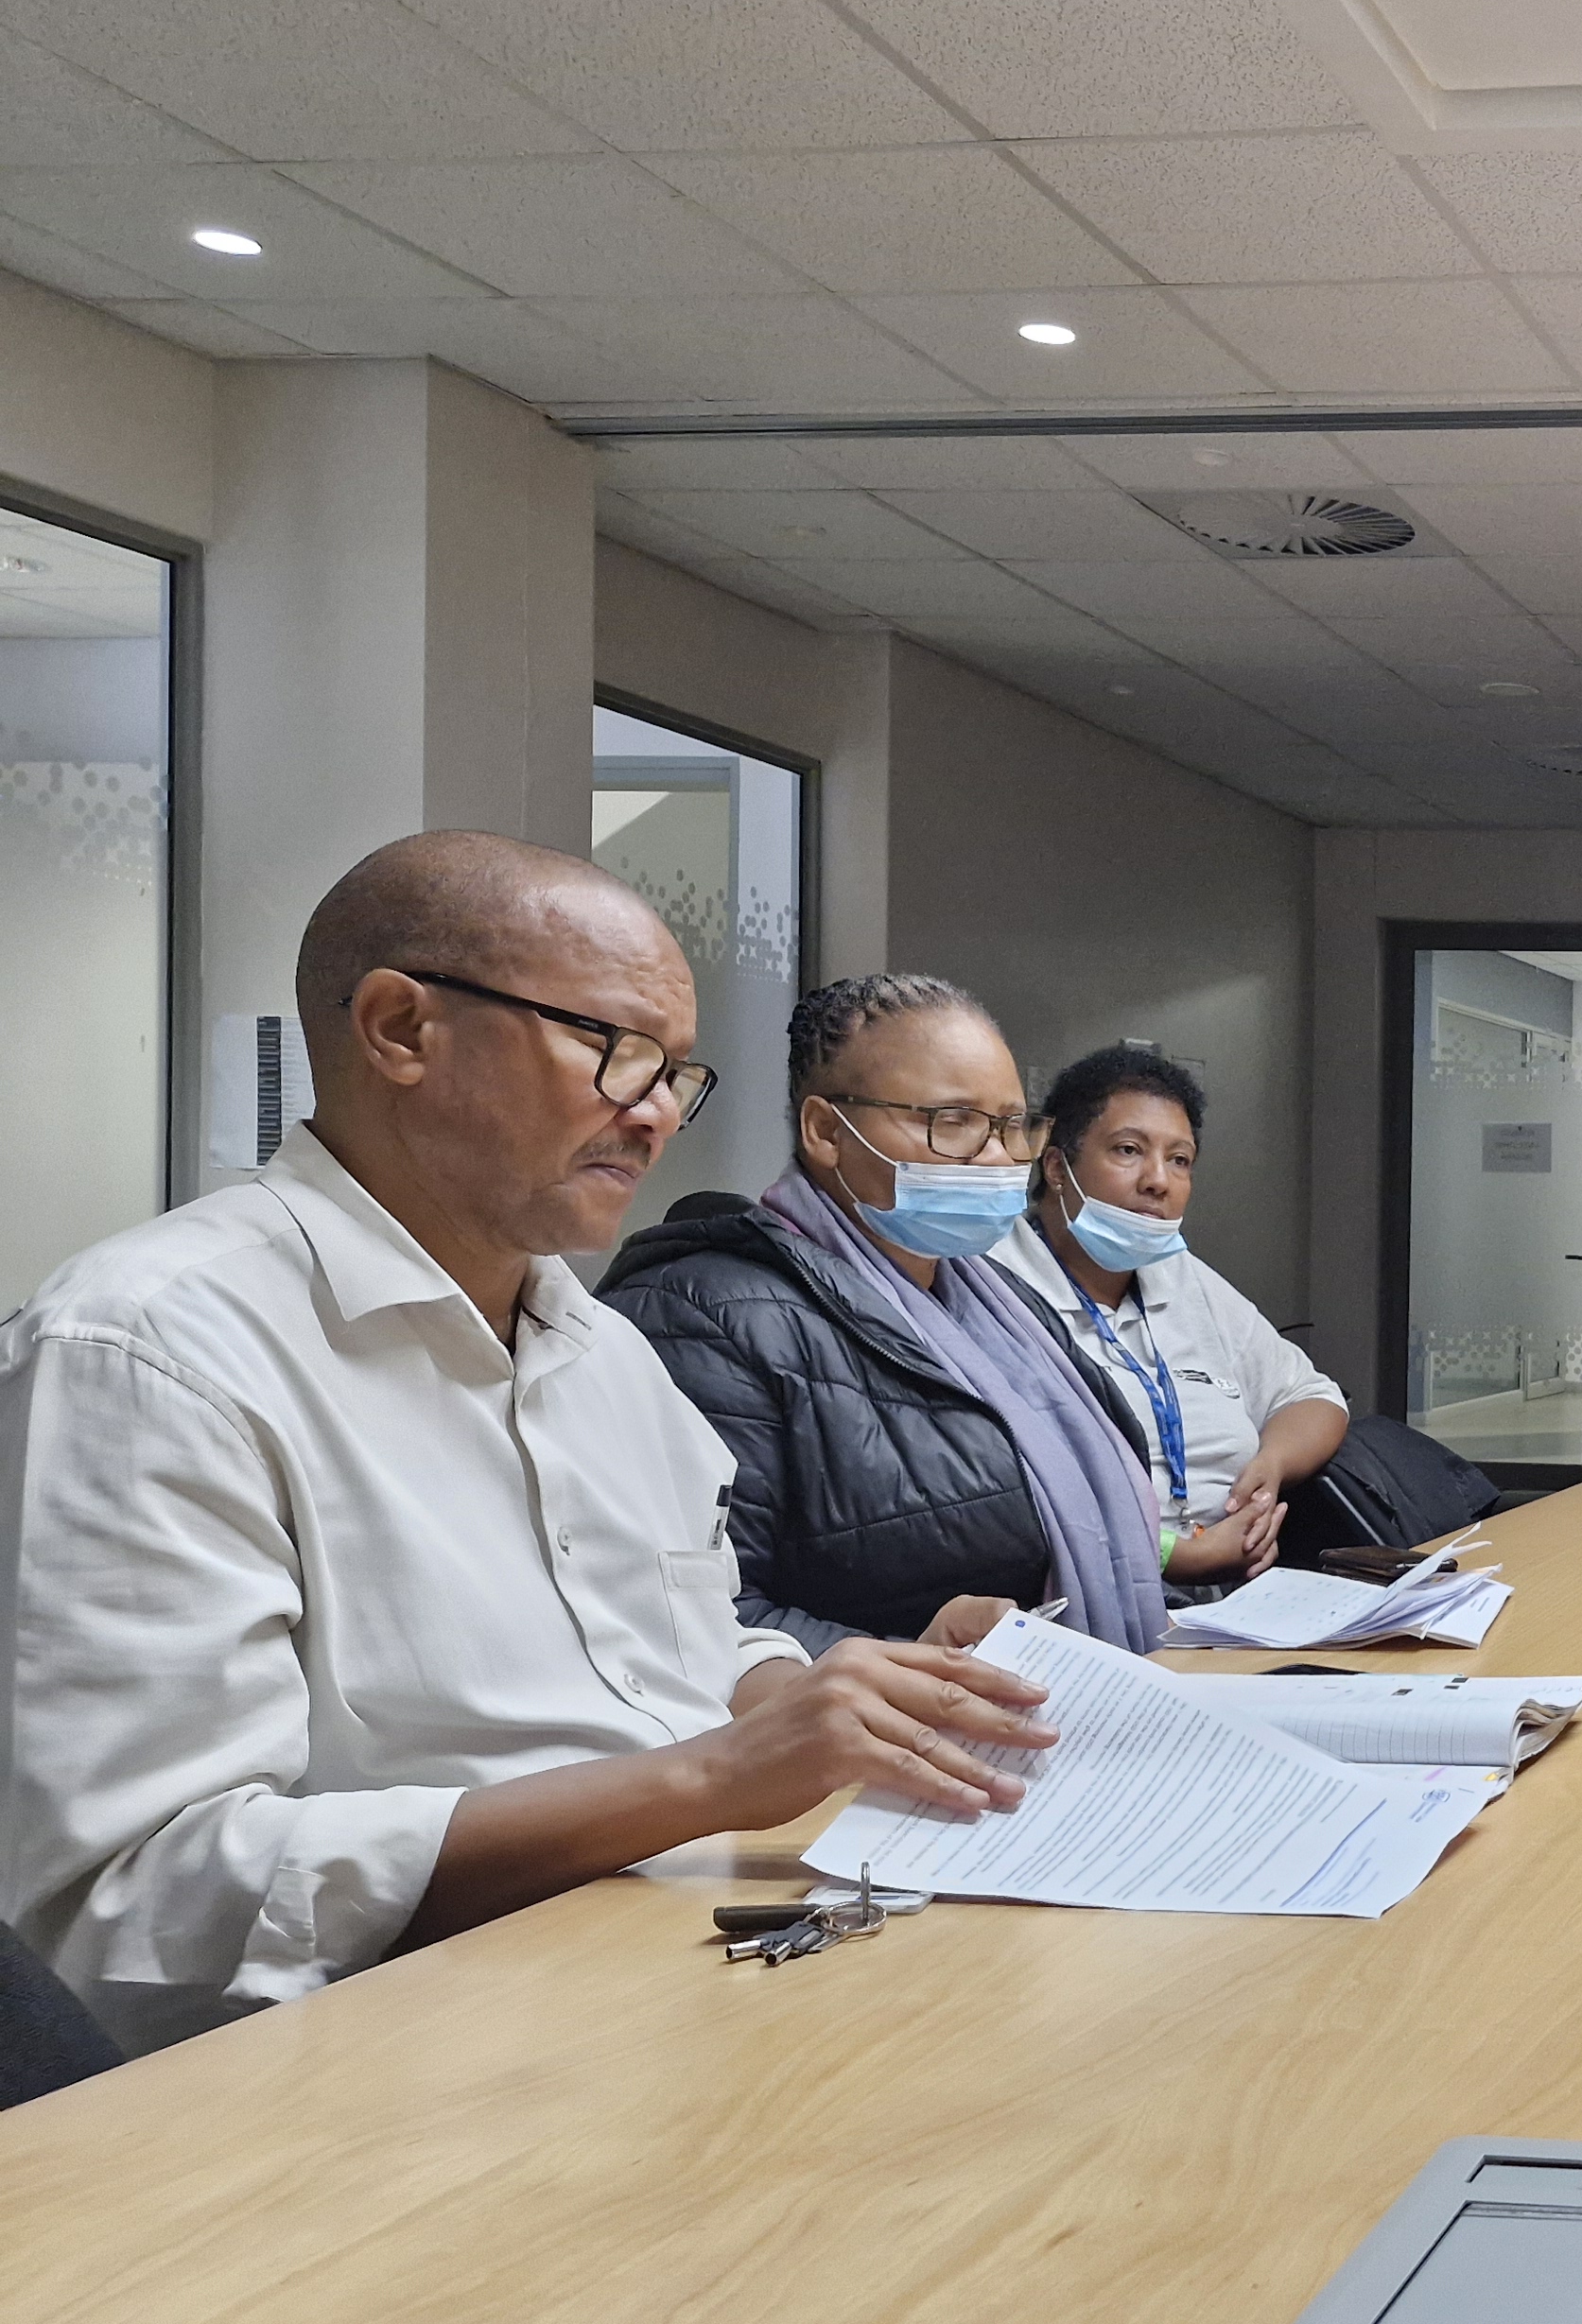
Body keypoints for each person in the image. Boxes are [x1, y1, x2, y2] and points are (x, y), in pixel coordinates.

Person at [0, 836, 1052, 2055]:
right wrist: (712, 1778)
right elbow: (141, 1900)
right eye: (616, 1054)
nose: (657, 1114)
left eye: (677, 1074)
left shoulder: (604, 1353)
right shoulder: (146, 1348)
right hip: (384, 2066)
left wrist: (844, 1697)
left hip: (700, 1975)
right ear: (401, 1029)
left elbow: (685, 1649)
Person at [602, 975, 1173, 1656]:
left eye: (1011, 1126)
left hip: (1057, 1717)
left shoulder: (1005, 1306)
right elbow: (692, 1622)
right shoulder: (703, 1316)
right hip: (867, 1745)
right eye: (953, 1123)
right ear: (825, 1132)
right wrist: (902, 1661)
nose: (996, 1158)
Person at [991, 1044, 1348, 1586]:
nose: (1158, 1180)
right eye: (1129, 1150)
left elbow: (1313, 1398)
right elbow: (1006, 1490)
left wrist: (1270, 1464)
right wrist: (1172, 1556)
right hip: (1093, 1594)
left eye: (1179, 1160)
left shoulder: (1184, 1279)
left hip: (1239, 1593)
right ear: (1058, 1167)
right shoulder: (991, 1287)